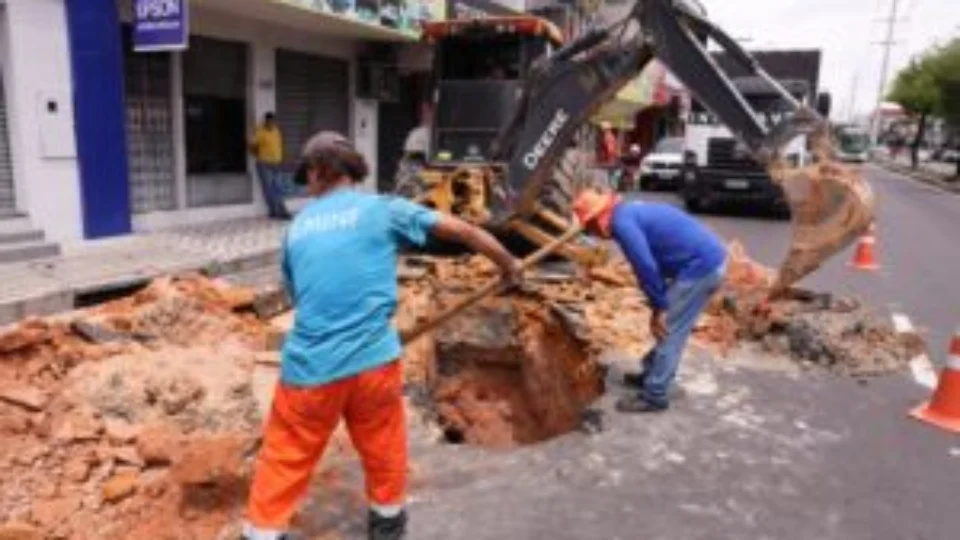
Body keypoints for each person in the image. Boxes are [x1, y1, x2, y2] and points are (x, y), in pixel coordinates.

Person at [242, 131, 522, 540]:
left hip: (311, 370)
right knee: (384, 445)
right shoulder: (382, 208)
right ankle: (387, 523)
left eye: (308, 175)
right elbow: (463, 231)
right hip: (373, 364)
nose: (308, 184)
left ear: (318, 171)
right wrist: (509, 263)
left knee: (286, 455)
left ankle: (262, 534)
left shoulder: (297, 228)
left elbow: (301, 294)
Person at [572, 189, 727, 413]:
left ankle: (655, 395)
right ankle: (651, 373)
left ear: (597, 220)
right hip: (701, 263)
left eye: (590, 228)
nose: (594, 235)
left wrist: (660, 306)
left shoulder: (622, 225)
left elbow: (645, 266)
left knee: (669, 330)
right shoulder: (626, 213)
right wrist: (658, 305)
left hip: (701, 267)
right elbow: (656, 258)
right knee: (668, 325)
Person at [250, 112, 289, 219]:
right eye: (270, 121)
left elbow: (279, 146)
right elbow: (252, 145)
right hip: (264, 164)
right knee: (269, 188)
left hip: (276, 163)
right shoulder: (260, 132)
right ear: (266, 121)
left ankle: (280, 211)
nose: (272, 123)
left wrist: (282, 159)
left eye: (273, 121)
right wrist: (258, 155)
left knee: (278, 187)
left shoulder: (276, 131)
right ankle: (276, 211)